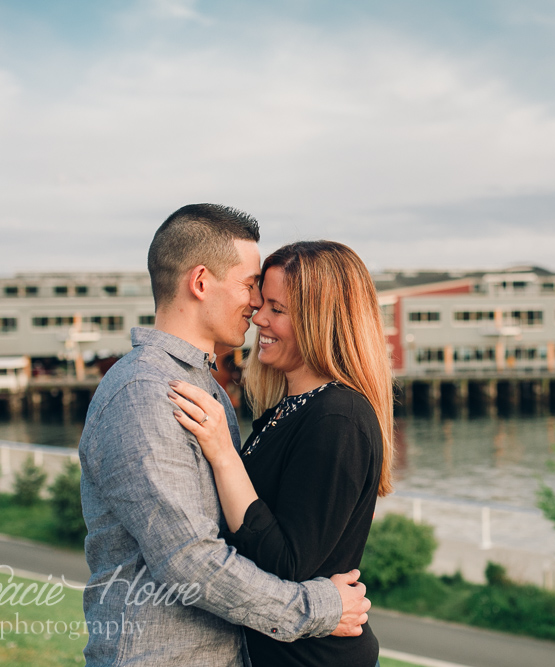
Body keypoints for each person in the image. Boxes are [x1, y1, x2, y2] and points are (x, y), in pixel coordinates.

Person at [79, 205, 371, 667]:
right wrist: (318, 609)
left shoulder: (206, 387)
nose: (256, 304)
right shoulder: (145, 391)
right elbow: (188, 560)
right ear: (200, 283)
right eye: (250, 284)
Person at [168, 240, 394, 667]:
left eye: (277, 308)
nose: (258, 317)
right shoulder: (287, 411)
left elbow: (287, 564)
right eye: (260, 303)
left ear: (319, 322)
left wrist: (223, 454)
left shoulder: (337, 418)